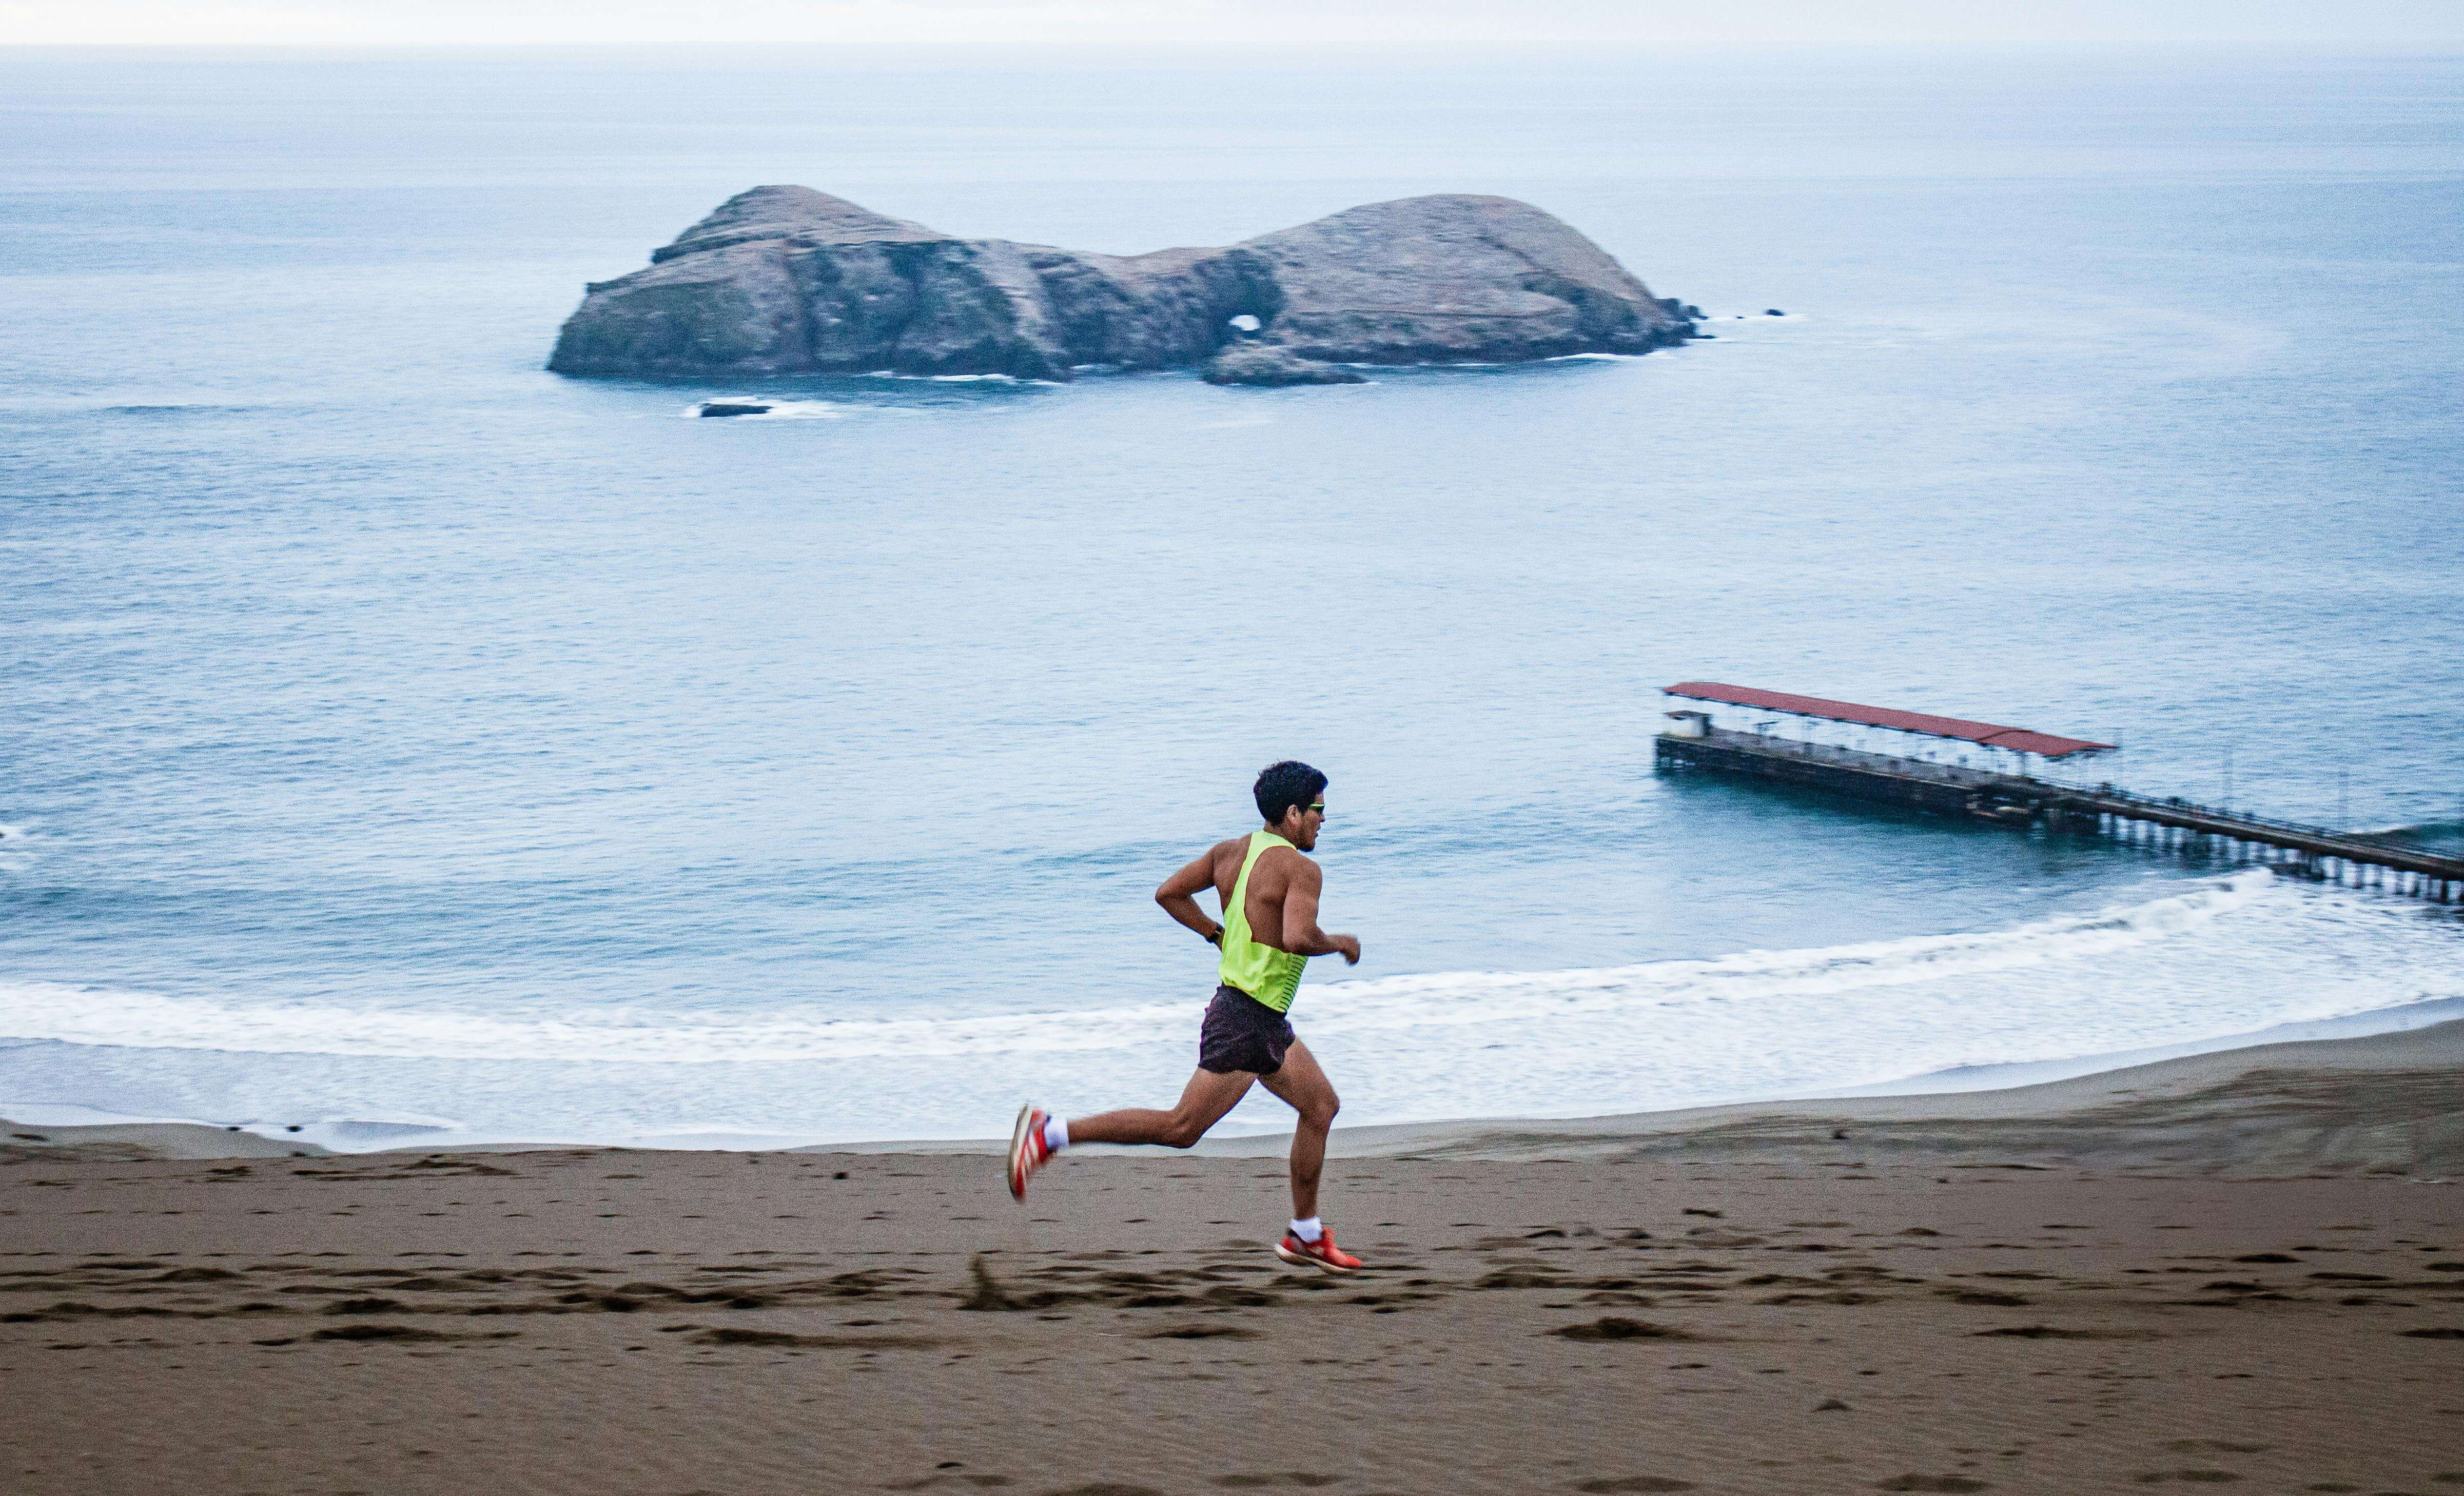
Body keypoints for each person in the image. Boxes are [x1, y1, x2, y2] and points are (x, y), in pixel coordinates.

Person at [1006, 760, 1365, 1272]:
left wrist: (1215, 935)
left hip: (1257, 1016)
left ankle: (1304, 1234)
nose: (1323, 821)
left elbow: (1168, 894)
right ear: (1292, 814)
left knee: (1321, 1107)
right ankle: (1049, 1133)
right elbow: (1297, 938)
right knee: (1181, 1127)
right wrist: (1341, 944)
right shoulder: (1300, 868)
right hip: (1244, 1020)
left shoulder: (1229, 853)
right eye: (1318, 811)